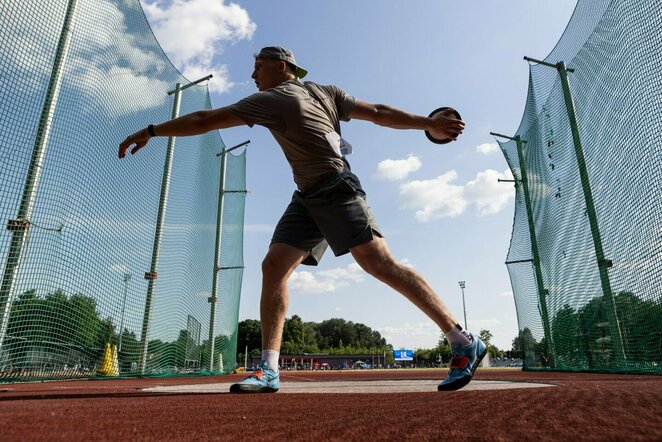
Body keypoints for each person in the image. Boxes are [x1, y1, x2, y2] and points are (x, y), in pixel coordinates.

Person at [118, 46, 486, 393]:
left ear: (280, 66)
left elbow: (205, 119)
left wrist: (152, 130)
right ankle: (269, 369)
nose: (252, 75)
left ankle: (463, 341)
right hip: (307, 197)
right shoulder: (325, 91)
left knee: (378, 262)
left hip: (337, 188)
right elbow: (377, 111)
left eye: (257, 68)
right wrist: (428, 122)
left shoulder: (277, 98)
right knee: (274, 266)